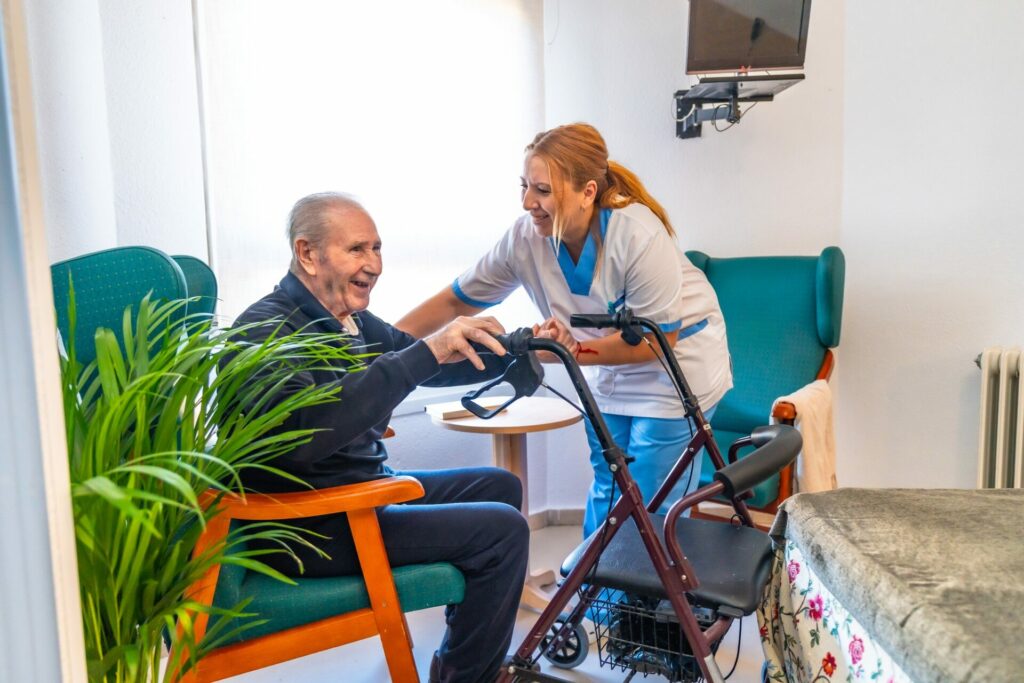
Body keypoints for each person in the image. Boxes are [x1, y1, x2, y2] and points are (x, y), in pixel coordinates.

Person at [234, 192, 529, 683]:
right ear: (308, 253)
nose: (373, 264)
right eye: (357, 250)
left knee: (499, 487)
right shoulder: (264, 330)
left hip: (360, 496)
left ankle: (457, 660)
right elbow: (311, 430)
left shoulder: (346, 322)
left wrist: (518, 349)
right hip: (313, 524)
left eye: (377, 248)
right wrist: (424, 354)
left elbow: (426, 364)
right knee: (504, 529)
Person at [397, 123, 732, 539]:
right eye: (524, 186)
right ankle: (594, 594)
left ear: (587, 191)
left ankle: (652, 600)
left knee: (653, 495)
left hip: (675, 365)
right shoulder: (526, 239)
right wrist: (382, 345)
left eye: (542, 190)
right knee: (610, 482)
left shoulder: (637, 234)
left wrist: (570, 351)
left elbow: (653, 341)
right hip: (599, 366)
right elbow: (455, 301)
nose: (527, 202)